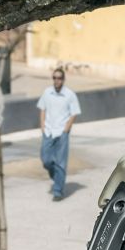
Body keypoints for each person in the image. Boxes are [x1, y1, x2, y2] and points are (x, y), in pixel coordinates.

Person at [36, 68, 81, 200]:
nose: (57, 80)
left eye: (59, 78)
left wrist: (66, 129)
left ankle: (57, 191)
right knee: (45, 159)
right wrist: (42, 126)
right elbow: (42, 109)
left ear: (63, 79)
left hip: (62, 132)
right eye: (54, 78)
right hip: (48, 131)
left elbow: (74, 113)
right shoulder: (47, 92)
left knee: (61, 162)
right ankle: (56, 176)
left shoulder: (70, 95)